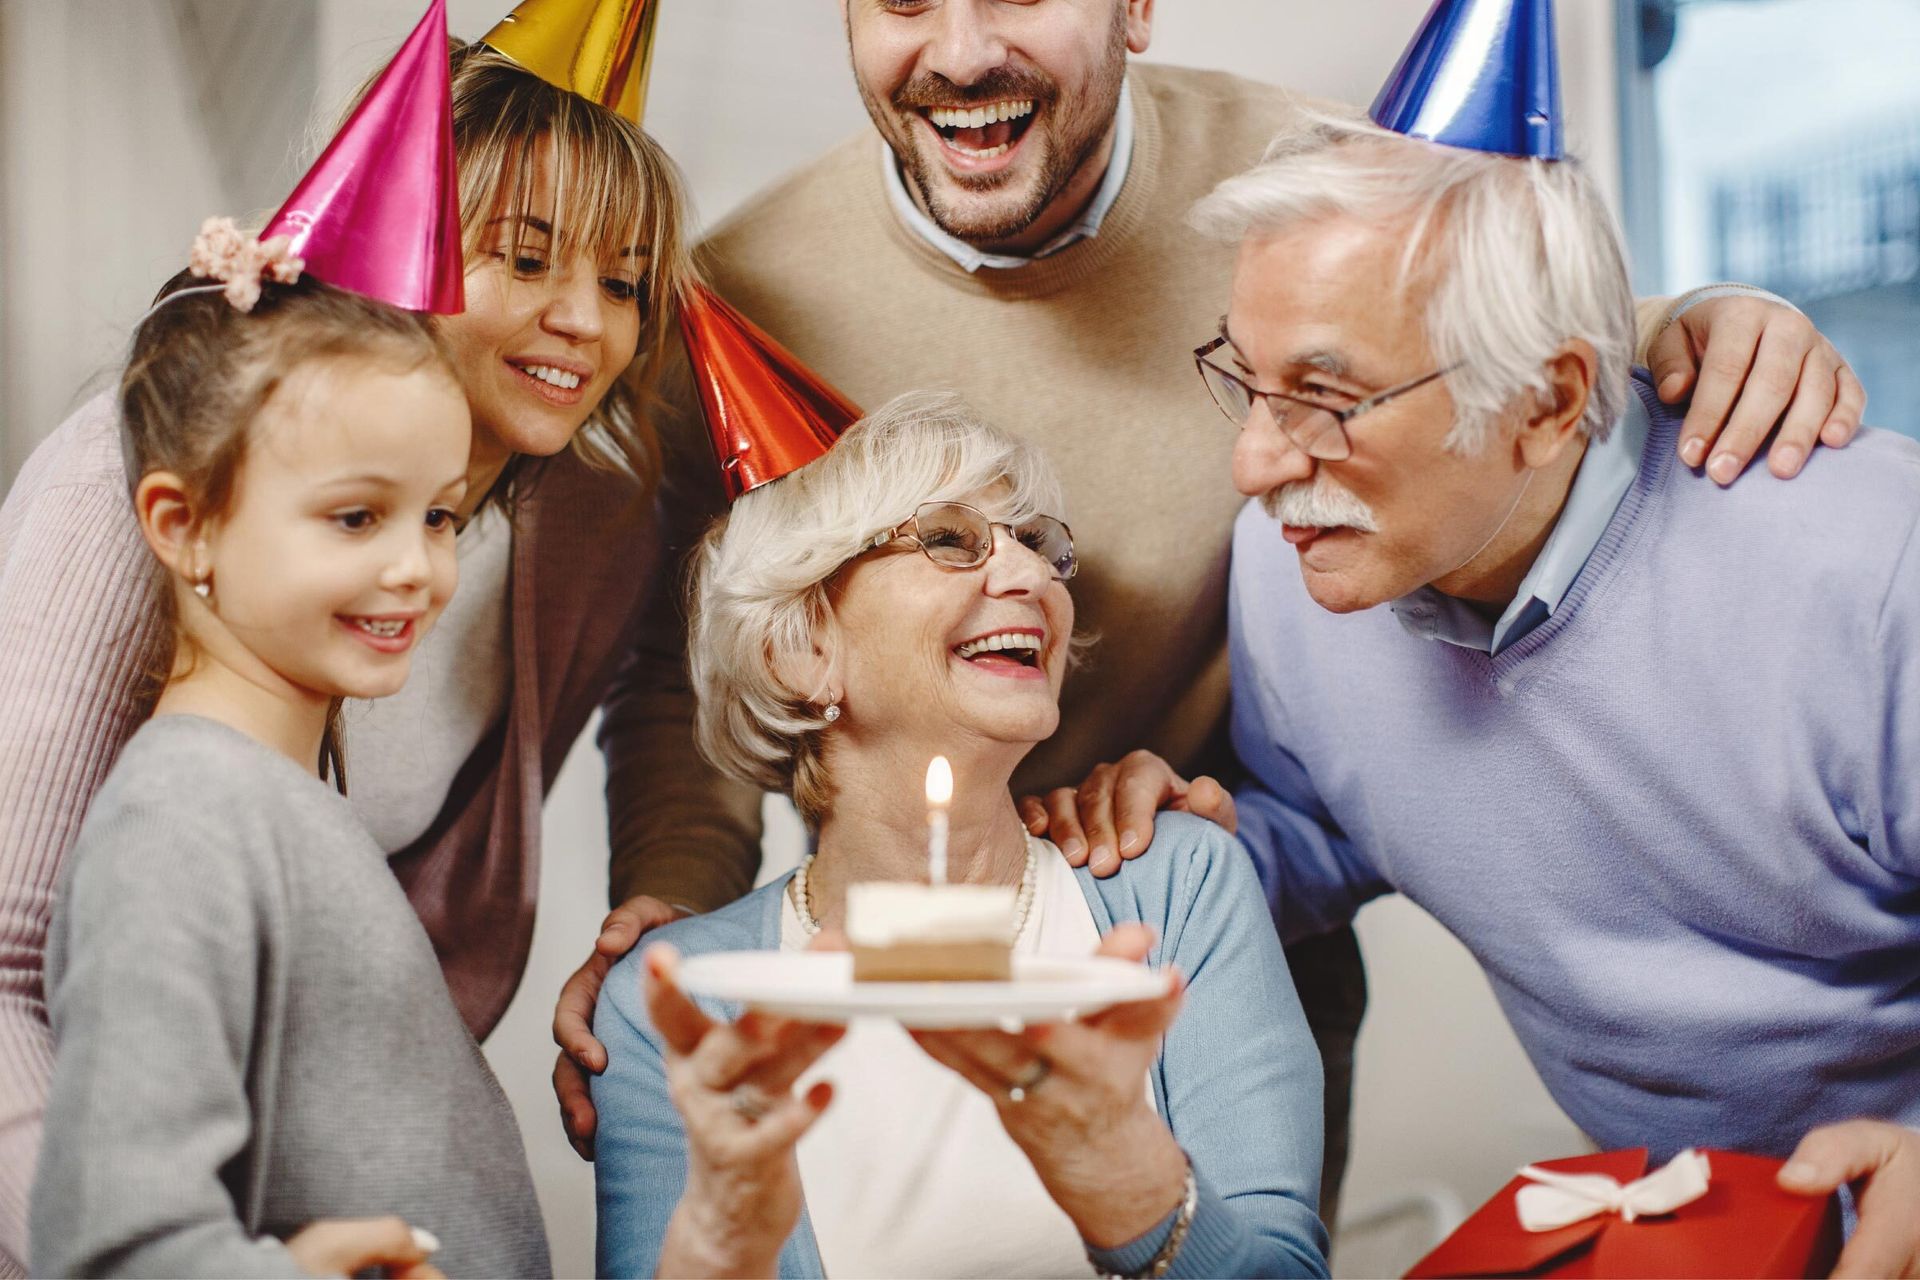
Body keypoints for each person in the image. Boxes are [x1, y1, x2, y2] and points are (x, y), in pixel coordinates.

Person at [552, 0, 1871, 1224]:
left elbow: (1488, 332)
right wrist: (675, 897)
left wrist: (1694, 318)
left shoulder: (1282, 177)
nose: (956, 52)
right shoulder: (740, 283)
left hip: (1213, 911)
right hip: (965, 899)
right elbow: (679, 660)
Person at [0, 33, 736, 1271]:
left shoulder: (594, 516)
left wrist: (670, 914)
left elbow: (664, 675)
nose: (583, 322)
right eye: (526, 255)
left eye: (627, 280)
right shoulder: (134, 489)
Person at [1181, 97, 1918, 1277]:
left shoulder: (1873, 563)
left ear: (1551, 400)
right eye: (1248, 381)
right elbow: (1327, 820)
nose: (1256, 461)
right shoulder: (1295, 568)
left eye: (1324, 399)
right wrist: (1190, 846)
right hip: (1678, 1230)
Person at [590, 393, 1328, 1279]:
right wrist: (724, 1239)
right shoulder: (673, 1004)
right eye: (948, 539)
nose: (1031, 577)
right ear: (800, 648)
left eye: (1038, 544)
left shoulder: (1178, 886)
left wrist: (1120, 1174)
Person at [29, 231, 548, 1276]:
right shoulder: (181, 818)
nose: (416, 568)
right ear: (185, 526)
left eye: (439, 515)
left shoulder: (277, 803)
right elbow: (113, 1240)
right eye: (355, 516)